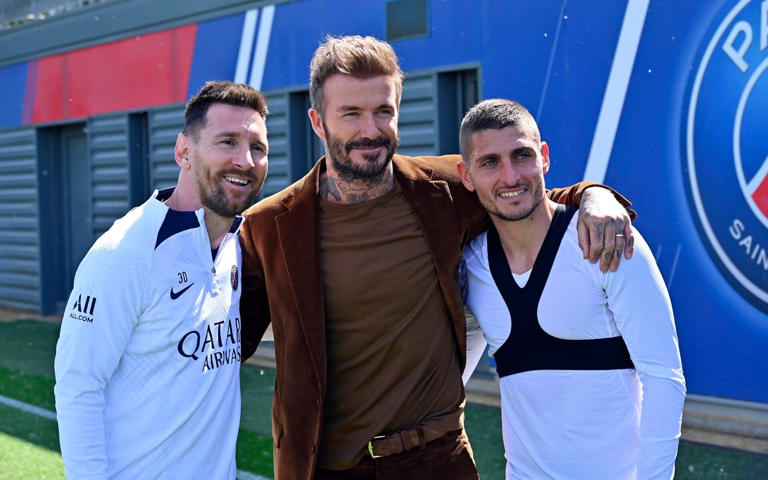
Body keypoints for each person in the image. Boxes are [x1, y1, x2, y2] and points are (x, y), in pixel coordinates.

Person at [239, 35, 634, 480]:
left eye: (383, 111)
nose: (370, 130)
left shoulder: (442, 190)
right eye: (351, 114)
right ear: (317, 121)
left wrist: (593, 196)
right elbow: (225, 341)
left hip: (437, 460)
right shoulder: (270, 226)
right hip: (324, 467)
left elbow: (524, 197)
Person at [458, 99, 686, 479]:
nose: (511, 176)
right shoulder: (472, 265)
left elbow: (664, 377)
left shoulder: (607, 239)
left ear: (544, 157)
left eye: (522, 155)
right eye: (490, 162)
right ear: (467, 176)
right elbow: (451, 378)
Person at [54, 81, 269, 479]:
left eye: (257, 148)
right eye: (227, 142)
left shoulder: (242, 245)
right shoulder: (124, 253)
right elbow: (78, 389)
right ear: (184, 151)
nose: (245, 160)